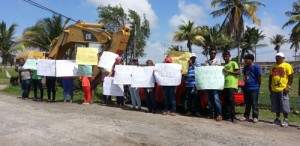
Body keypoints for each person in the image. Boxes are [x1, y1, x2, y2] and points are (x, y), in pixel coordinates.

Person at [269, 52, 293, 127]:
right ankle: (277, 119)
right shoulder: (273, 66)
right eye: (276, 57)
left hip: (283, 89)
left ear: (283, 58)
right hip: (274, 89)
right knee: (276, 104)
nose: (277, 58)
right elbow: (270, 77)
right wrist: (269, 86)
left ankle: (286, 120)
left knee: (284, 104)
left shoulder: (287, 65)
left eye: (279, 57)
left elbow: (291, 77)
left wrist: (288, 86)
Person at [241, 54, 262, 123]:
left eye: (246, 59)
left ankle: (255, 117)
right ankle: (246, 116)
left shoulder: (256, 67)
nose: (245, 60)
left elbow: (259, 77)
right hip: (247, 87)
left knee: (254, 103)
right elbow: (245, 76)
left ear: (251, 59)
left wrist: (258, 85)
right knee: (247, 103)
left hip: (254, 88)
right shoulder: (245, 67)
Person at [204, 49, 222, 121]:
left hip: (215, 84)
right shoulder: (206, 62)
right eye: (211, 53)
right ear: (209, 54)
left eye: (214, 53)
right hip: (208, 84)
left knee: (216, 99)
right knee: (209, 100)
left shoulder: (217, 60)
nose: (213, 54)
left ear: (215, 54)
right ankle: (211, 113)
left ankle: (219, 115)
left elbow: (216, 69)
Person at [222, 50, 240, 124]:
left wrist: (228, 71)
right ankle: (227, 116)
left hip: (231, 85)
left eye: (226, 56)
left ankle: (233, 117)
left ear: (229, 56)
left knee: (231, 100)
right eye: (224, 56)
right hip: (224, 85)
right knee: (226, 101)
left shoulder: (233, 63)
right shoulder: (223, 65)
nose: (225, 58)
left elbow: (238, 72)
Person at [185, 53, 201, 117]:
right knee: (189, 99)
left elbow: (198, 71)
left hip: (194, 84)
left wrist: (191, 64)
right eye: (191, 57)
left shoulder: (198, 64)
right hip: (188, 84)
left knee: (196, 98)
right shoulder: (186, 65)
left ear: (195, 58)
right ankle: (189, 111)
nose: (193, 59)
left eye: (194, 57)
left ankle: (197, 111)